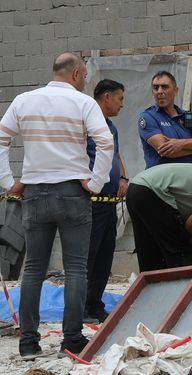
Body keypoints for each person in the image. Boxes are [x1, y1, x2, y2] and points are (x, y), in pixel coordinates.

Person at [0, 52, 114, 356]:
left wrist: (9, 182)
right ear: (76, 73)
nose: (85, 82)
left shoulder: (24, 100)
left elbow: (1, 137)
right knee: (76, 268)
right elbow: (105, 142)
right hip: (73, 193)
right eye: (85, 76)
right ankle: (72, 339)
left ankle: (28, 343)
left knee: (34, 269)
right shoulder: (83, 102)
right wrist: (96, 182)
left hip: (35, 193)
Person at [126, 163, 192, 272]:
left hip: (136, 187)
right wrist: (187, 236)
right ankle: (182, 288)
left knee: (150, 258)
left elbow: (183, 207)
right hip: (154, 192)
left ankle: (150, 289)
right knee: (180, 255)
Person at [85, 79, 128, 323]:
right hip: (92, 202)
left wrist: (122, 176)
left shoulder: (111, 128)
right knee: (89, 255)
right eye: (120, 99)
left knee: (105, 254)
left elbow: (115, 154)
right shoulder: (86, 124)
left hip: (110, 200)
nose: (122, 104)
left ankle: (95, 305)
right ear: (107, 97)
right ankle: (82, 307)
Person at [138, 71, 192, 169]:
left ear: (175, 91)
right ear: (153, 92)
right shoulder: (148, 117)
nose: (159, 91)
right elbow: (165, 150)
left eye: (165, 87)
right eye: (156, 88)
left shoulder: (187, 117)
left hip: (185, 179)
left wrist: (180, 143)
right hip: (159, 180)